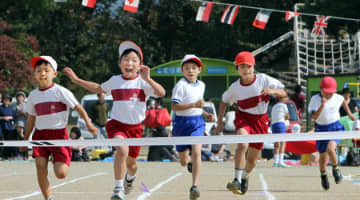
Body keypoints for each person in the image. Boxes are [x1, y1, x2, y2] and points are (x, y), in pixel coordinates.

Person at [63, 40, 165, 200]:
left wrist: (149, 79)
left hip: (136, 128)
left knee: (132, 164)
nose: (129, 63)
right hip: (117, 125)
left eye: (133, 60)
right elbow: (97, 88)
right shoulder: (115, 80)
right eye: (125, 59)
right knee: (122, 150)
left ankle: (130, 178)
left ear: (140, 65)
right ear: (119, 63)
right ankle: (118, 189)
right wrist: (76, 80)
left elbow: (161, 93)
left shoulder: (142, 83)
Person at [20, 56, 97, 200]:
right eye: (38, 71)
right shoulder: (33, 95)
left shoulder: (61, 91)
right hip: (40, 136)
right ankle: (48, 198)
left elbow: (79, 108)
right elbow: (31, 119)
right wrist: (25, 140)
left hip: (59, 135)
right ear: (34, 74)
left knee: (61, 173)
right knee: (40, 168)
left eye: (46, 70)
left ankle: (61, 161)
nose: (42, 73)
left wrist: (89, 124)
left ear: (54, 74)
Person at [215, 51, 286, 195]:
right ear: (237, 69)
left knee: (252, 161)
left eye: (248, 66)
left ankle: (245, 177)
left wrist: (272, 91)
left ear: (253, 67)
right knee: (242, 143)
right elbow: (223, 101)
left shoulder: (263, 79)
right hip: (244, 118)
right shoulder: (235, 87)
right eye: (242, 67)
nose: (246, 70)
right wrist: (220, 122)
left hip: (261, 121)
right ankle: (236, 179)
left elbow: (283, 93)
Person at [171, 54, 214, 200]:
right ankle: (188, 162)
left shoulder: (202, 85)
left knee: (197, 152)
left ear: (199, 70)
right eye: (187, 68)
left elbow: (197, 106)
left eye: (194, 68)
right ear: (182, 70)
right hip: (181, 123)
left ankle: (194, 186)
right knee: (183, 160)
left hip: (197, 122)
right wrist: (194, 105)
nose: (191, 71)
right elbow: (175, 106)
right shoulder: (180, 85)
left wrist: (205, 113)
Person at [308, 76, 352, 190]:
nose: (329, 95)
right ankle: (323, 175)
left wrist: (350, 114)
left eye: (331, 93)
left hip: (335, 127)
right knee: (322, 158)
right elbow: (314, 117)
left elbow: (343, 101)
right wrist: (322, 105)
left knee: (330, 149)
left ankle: (336, 169)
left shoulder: (337, 97)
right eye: (327, 92)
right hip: (321, 128)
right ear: (321, 89)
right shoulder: (314, 99)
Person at [271, 94, 290, 168]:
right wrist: (285, 118)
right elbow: (287, 116)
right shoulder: (283, 105)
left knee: (276, 143)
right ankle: (281, 161)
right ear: (281, 98)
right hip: (280, 124)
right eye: (285, 97)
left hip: (273, 125)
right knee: (283, 142)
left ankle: (275, 162)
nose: (286, 98)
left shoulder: (274, 106)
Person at [0, 94, 16, 160]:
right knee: (2, 140)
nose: (7, 101)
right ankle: (1, 155)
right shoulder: (0, 108)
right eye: (5, 99)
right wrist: (3, 118)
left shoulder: (11, 108)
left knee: (9, 140)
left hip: (9, 127)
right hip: (1, 126)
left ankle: (8, 155)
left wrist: (10, 117)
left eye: (8, 99)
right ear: (3, 100)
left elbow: (14, 116)